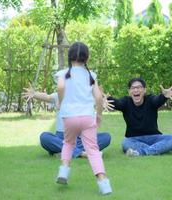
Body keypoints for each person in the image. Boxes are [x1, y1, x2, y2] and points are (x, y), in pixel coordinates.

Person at [55, 42, 112, 195]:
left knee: (68, 143)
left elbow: (60, 88)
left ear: (70, 56)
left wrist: (61, 101)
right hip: (88, 116)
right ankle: (103, 183)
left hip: (69, 117)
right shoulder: (91, 75)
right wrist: (99, 115)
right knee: (93, 150)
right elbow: (99, 97)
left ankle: (63, 171)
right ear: (87, 58)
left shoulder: (62, 73)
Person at [22, 88, 111, 158]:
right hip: (61, 138)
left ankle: (63, 151)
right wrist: (34, 94)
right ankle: (81, 153)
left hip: (80, 139)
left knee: (106, 137)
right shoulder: (59, 96)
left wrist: (101, 106)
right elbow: (47, 97)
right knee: (44, 137)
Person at [107, 77, 172, 157]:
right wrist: (107, 99)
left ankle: (140, 152)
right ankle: (165, 149)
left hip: (155, 138)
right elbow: (117, 103)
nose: (136, 90)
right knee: (125, 143)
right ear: (129, 91)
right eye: (133, 88)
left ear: (144, 90)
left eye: (139, 87)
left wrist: (164, 96)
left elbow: (157, 100)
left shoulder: (150, 99)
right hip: (134, 139)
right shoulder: (126, 101)